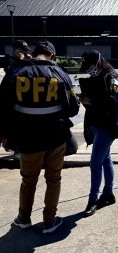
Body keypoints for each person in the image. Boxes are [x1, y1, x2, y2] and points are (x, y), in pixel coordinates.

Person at [0, 41, 80, 233]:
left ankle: (24, 218)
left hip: (28, 139)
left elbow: (2, 108)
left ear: (33, 53)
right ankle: (49, 221)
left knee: (28, 180)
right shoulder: (59, 73)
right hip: (56, 137)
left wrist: (4, 136)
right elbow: (73, 108)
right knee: (53, 179)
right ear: (52, 56)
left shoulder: (15, 72)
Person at [78, 50, 118, 217]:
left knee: (95, 163)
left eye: (90, 67)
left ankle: (93, 200)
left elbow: (113, 102)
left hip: (106, 127)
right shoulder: (96, 78)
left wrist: (90, 100)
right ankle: (108, 194)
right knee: (105, 160)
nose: (88, 70)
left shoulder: (111, 77)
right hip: (96, 125)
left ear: (98, 63)